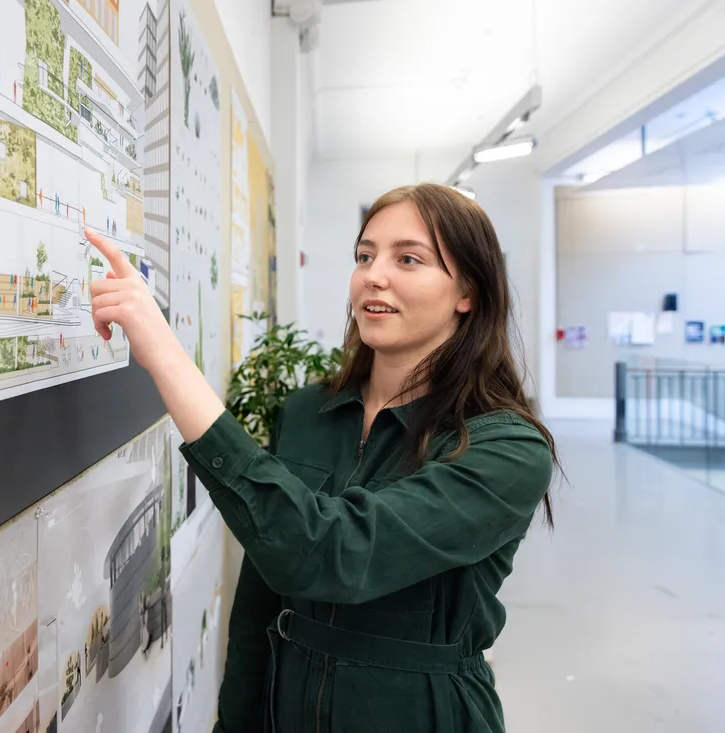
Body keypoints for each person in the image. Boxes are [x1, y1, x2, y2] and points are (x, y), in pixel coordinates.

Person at [83, 182, 559, 733]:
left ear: (468, 292)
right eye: (365, 255)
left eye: (409, 258)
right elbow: (262, 597)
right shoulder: (309, 410)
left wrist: (166, 356)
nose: (374, 275)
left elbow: (331, 551)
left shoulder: (505, 448)